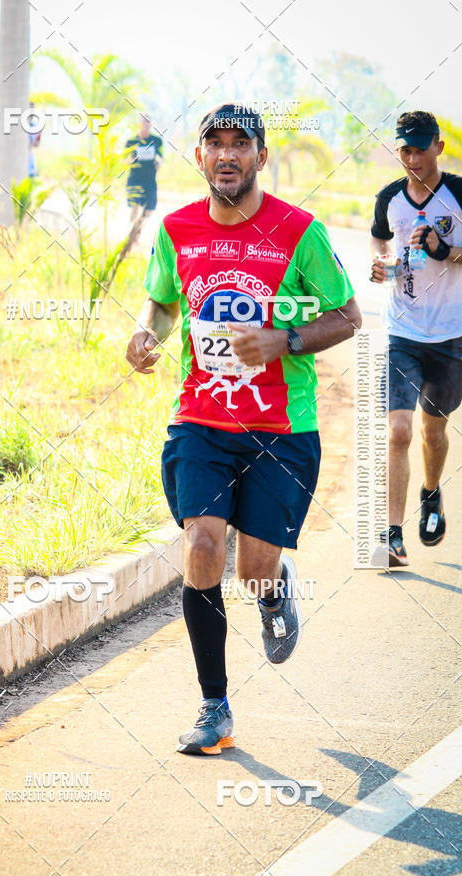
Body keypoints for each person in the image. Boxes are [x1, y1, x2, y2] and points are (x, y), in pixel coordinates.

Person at [125, 103, 361, 755]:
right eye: (214, 144)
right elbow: (167, 300)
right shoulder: (177, 229)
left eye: (240, 144)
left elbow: (347, 316)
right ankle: (214, 707)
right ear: (199, 157)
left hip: (283, 429)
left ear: (261, 156)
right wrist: (148, 333)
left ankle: (273, 589)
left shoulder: (299, 231)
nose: (226, 154)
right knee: (203, 542)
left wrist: (284, 340)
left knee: (254, 569)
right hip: (201, 417)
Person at [370, 111, 462, 567]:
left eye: (420, 149)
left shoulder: (460, 194)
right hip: (402, 331)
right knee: (400, 430)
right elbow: (378, 240)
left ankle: (431, 493)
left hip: (452, 336)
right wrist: (381, 261)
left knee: (433, 429)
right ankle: (391, 534)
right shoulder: (389, 198)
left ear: (438, 148)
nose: (412, 158)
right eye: (404, 150)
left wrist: (445, 252)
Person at [125, 113, 163, 224]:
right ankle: (132, 235)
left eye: (148, 121)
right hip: (135, 178)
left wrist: (159, 163)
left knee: (149, 210)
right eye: (144, 121)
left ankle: (137, 231)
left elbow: (160, 157)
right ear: (139, 124)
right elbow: (125, 159)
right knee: (134, 208)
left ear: (151, 124)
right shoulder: (131, 141)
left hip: (150, 179)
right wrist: (129, 161)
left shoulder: (157, 141)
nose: (146, 124)